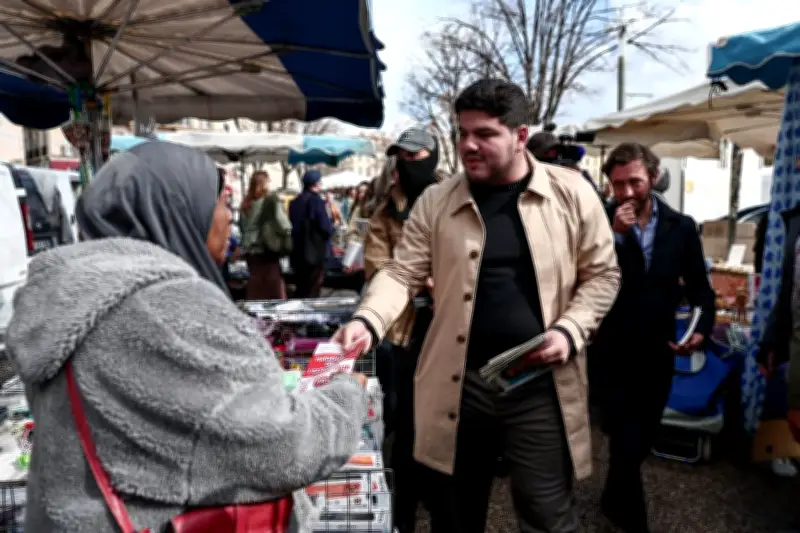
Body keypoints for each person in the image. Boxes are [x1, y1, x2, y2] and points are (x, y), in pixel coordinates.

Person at [4, 142, 368, 532]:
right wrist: (346, 396)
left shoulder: (70, 294)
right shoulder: (169, 310)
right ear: (180, 211)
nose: (229, 219)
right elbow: (282, 447)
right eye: (221, 203)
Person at [333, 78, 621, 533]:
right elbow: (402, 272)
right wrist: (368, 320)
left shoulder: (571, 193)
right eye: (462, 133)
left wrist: (570, 330)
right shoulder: (437, 201)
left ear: (520, 136)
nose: (468, 145)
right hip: (458, 384)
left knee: (546, 513)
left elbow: (603, 275)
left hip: (540, 384)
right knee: (453, 514)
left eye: (485, 134)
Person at [593, 142, 715, 533]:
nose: (627, 192)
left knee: (640, 438)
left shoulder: (681, 227)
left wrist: (700, 330)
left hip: (656, 350)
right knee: (622, 436)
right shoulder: (599, 222)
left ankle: (612, 498)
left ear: (654, 177)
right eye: (618, 184)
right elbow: (584, 276)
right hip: (611, 349)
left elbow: (700, 290)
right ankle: (632, 520)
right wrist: (614, 237)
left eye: (635, 182)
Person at [364, 125, 445, 533]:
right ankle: (403, 511)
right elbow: (377, 265)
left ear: (433, 155)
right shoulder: (387, 209)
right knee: (406, 420)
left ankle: (438, 494)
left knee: (446, 418)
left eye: (415, 155)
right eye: (402, 156)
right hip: (405, 331)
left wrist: (446, 279)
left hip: (451, 327)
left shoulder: (458, 198)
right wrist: (417, 281)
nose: (407, 163)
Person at [240, 170, 290, 300]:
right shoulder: (270, 200)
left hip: (249, 249)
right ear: (265, 183)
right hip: (265, 246)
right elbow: (282, 222)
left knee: (256, 282)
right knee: (274, 285)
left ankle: (253, 307)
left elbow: (242, 227)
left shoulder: (245, 203)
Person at [289, 169, 333, 298]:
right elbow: (325, 227)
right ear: (315, 184)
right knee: (313, 289)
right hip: (314, 253)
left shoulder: (294, 202)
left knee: (301, 288)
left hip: (297, 251)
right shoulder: (316, 201)